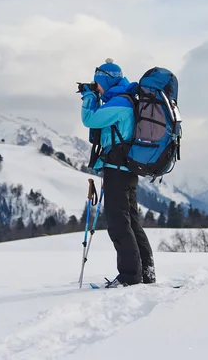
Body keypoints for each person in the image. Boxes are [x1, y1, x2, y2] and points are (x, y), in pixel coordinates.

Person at [79, 58, 156, 288]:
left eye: (98, 83)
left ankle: (130, 276)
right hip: (127, 170)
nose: (97, 88)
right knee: (131, 222)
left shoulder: (120, 104)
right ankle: (146, 273)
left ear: (106, 81)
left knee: (119, 225)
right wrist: (95, 94)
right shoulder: (126, 100)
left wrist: (88, 96)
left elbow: (89, 119)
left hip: (117, 171)